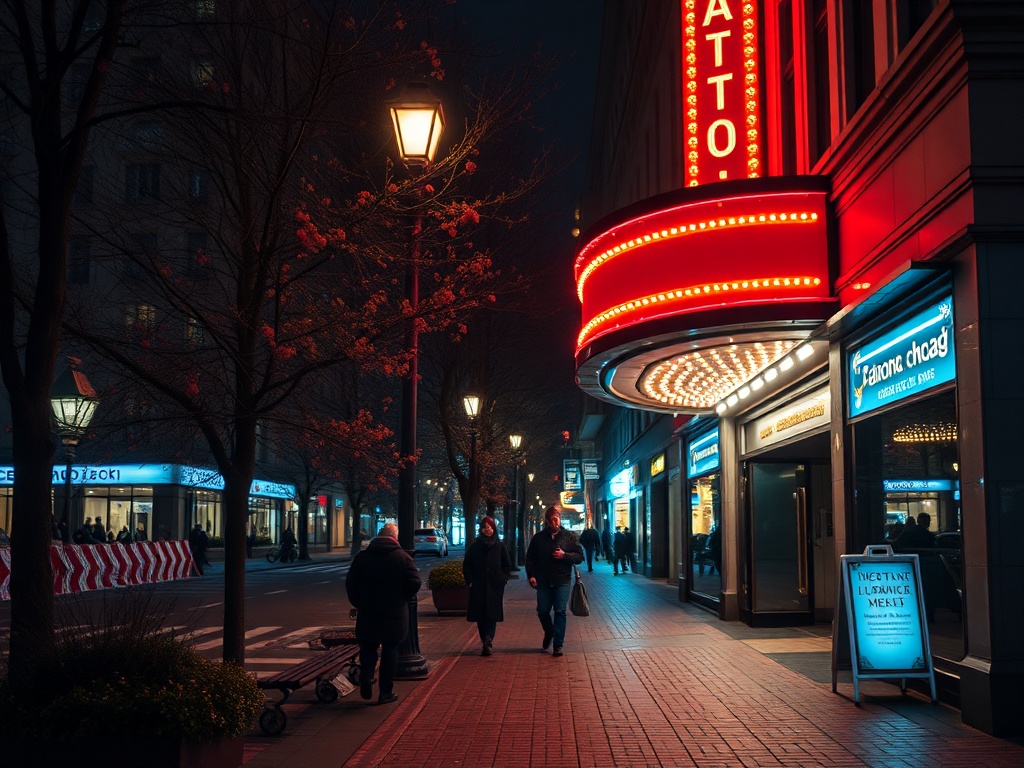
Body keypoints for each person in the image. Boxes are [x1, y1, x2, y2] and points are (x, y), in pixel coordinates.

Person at [345, 522, 421, 705]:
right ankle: (385, 691)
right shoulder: (402, 558)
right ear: (395, 537)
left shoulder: (362, 557)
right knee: (390, 649)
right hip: (394, 611)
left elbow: (351, 583)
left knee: (368, 647)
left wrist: (359, 602)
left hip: (368, 610)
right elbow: (414, 582)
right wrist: (403, 596)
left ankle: (366, 678)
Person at [524, 505, 584, 658]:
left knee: (560, 610)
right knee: (543, 611)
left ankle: (558, 644)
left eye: (557, 519)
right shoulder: (538, 538)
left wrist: (565, 555)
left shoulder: (568, 537)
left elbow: (579, 557)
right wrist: (531, 574)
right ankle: (549, 631)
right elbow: (530, 558)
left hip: (562, 579)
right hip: (543, 580)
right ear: (547, 521)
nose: (555, 523)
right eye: (552, 520)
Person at [462, 516, 512, 656]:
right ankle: (485, 639)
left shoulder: (499, 545)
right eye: (484, 528)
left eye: (489, 527)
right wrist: (470, 580)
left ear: (493, 528)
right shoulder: (475, 546)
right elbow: (467, 565)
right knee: (480, 614)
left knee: (492, 614)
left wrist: (503, 578)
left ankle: (488, 639)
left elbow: (506, 565)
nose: (486, 530)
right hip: (478, 585)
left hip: (495, 586)